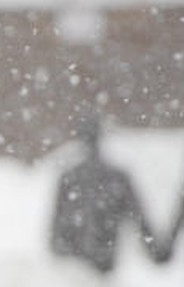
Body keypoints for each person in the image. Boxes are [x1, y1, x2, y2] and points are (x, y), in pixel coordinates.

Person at [50, 114, 167, 273]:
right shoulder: (114, 177)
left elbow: (57, 229)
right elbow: (139, 218)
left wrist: (59, 255)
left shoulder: (71, 178)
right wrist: (155, 252)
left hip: (77, 266)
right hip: (101, 261)